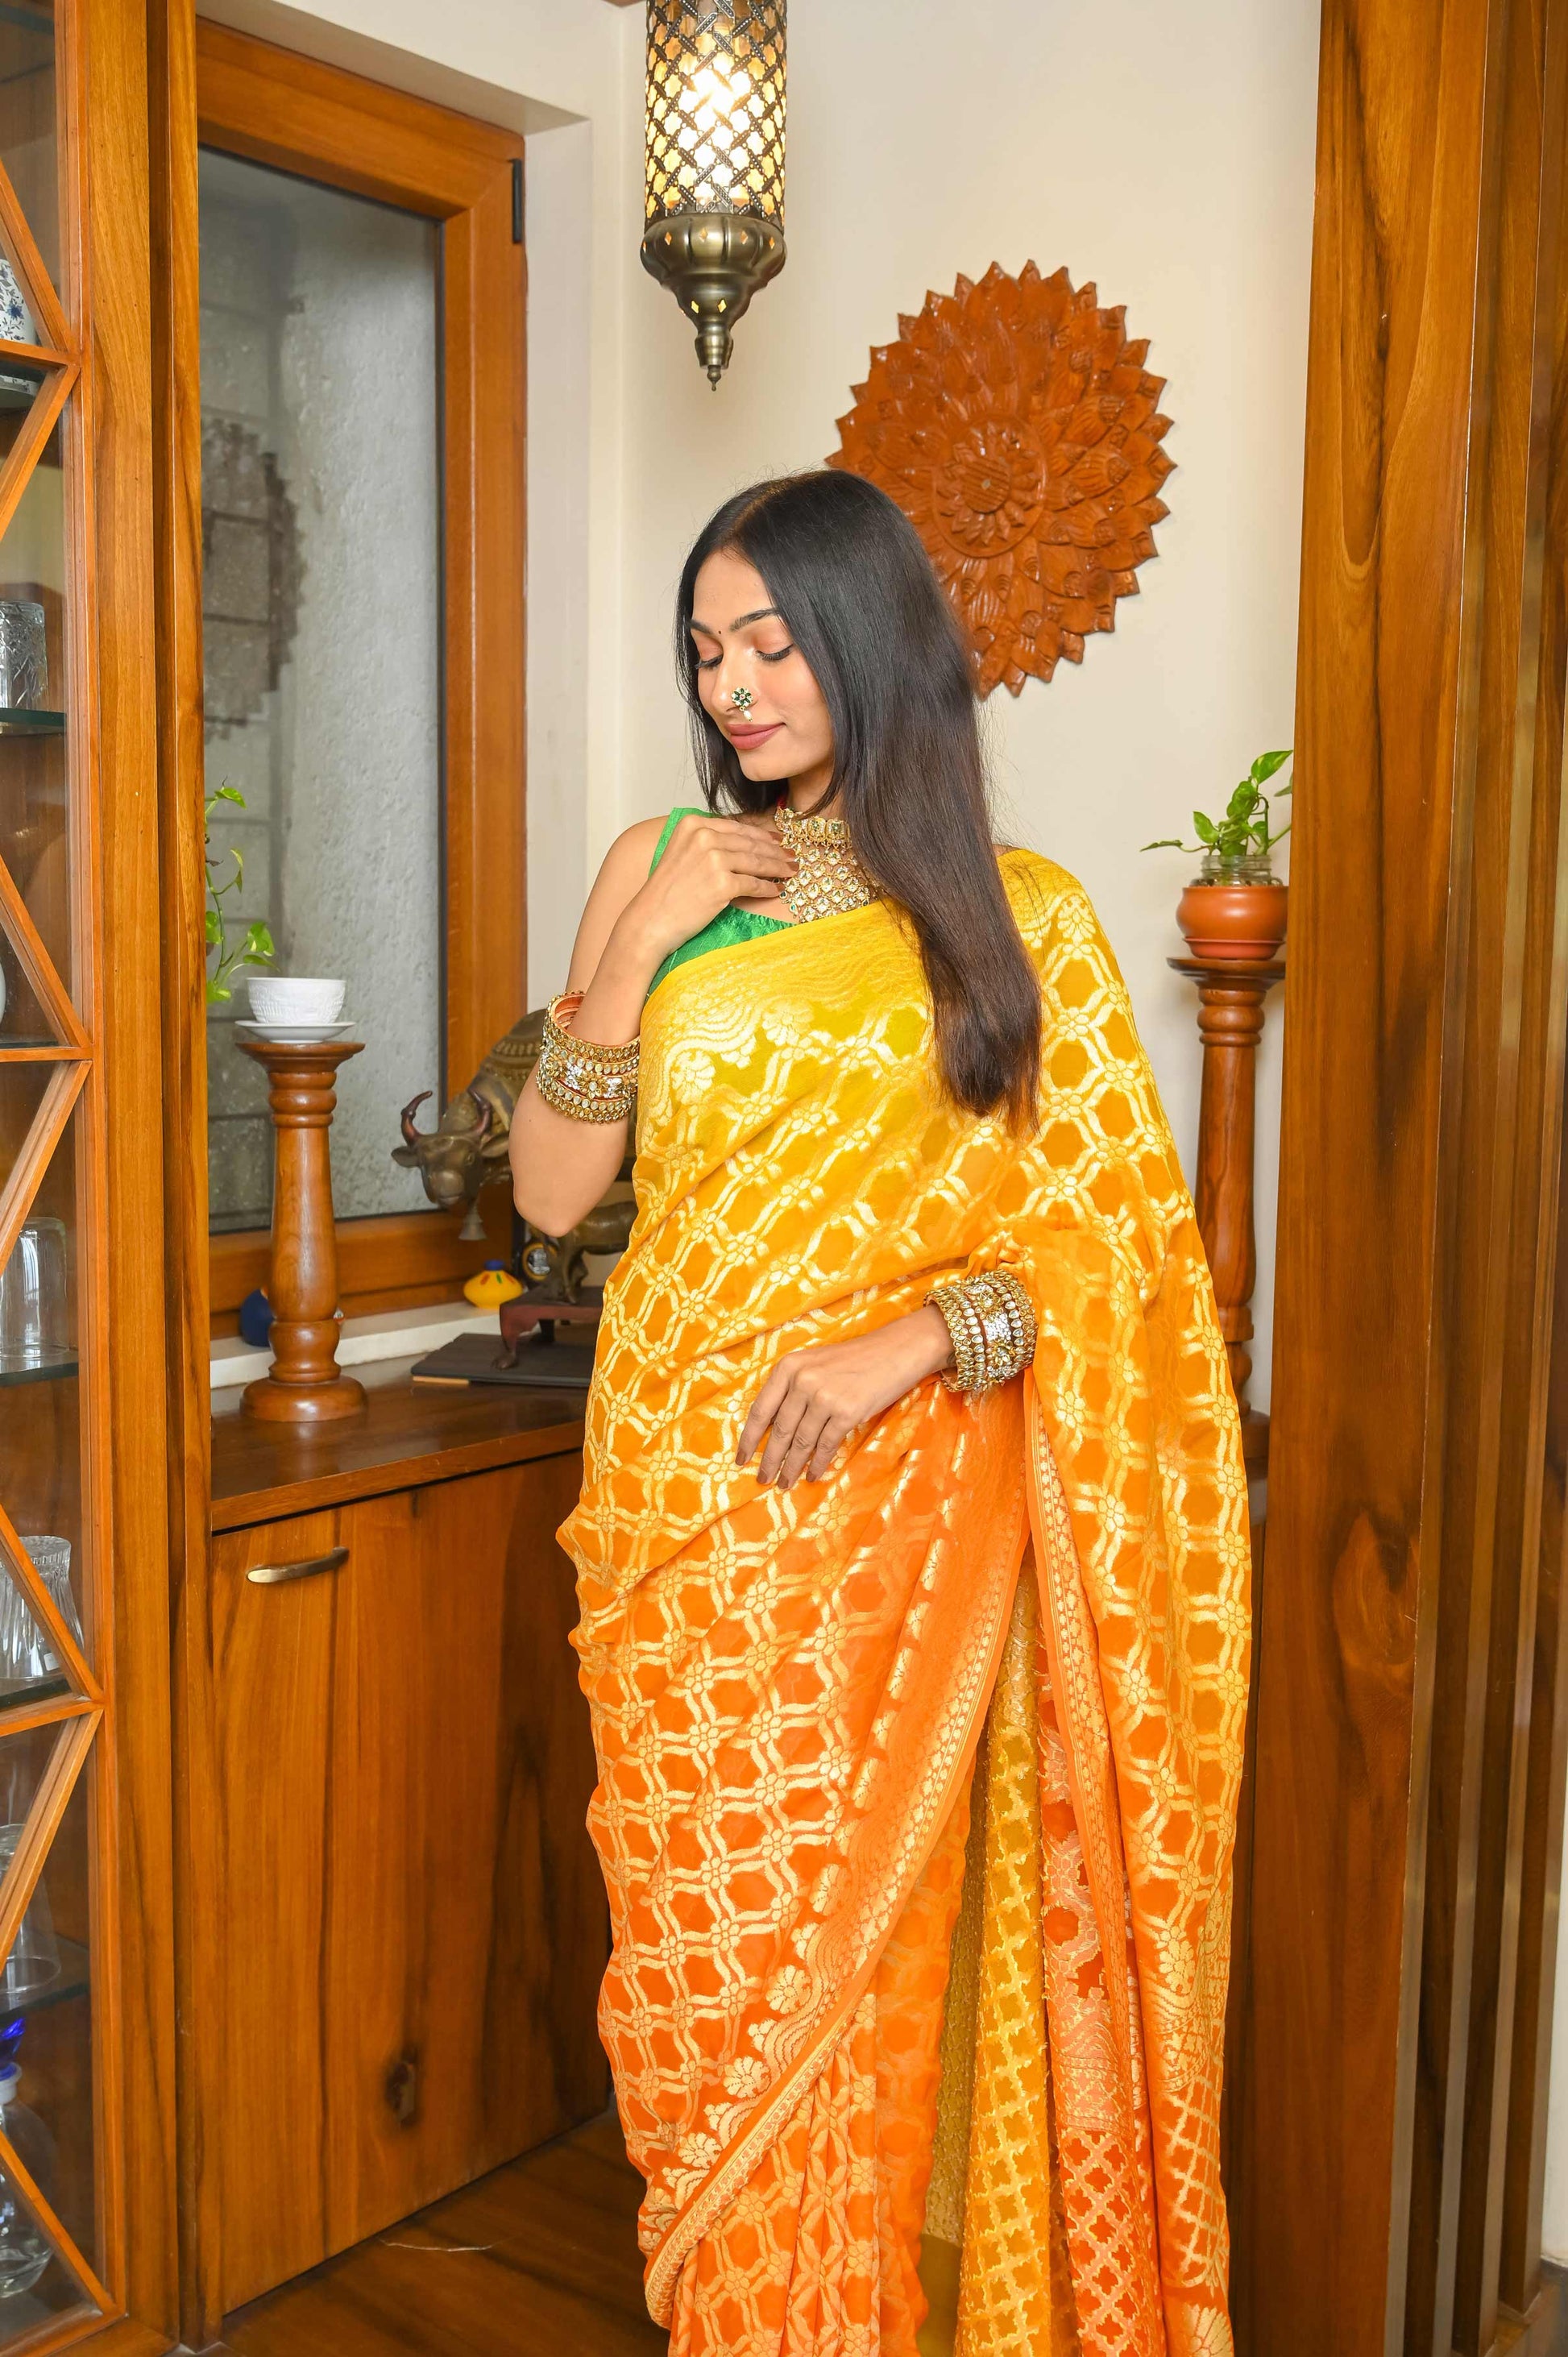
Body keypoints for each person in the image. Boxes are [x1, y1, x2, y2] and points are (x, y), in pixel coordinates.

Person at [511, 470, 1249, 2357]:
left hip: (889, 1531)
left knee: (868, 1964)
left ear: (868, 639)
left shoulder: (1018, 915)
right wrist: (640, 936)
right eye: (706, 651)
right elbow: (550, 1194)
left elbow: (1117, 1259)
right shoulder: (659, 861)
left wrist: (917, 1337)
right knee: (706, 1973)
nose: (733, 686)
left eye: (770, 642)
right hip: (680, 1522)